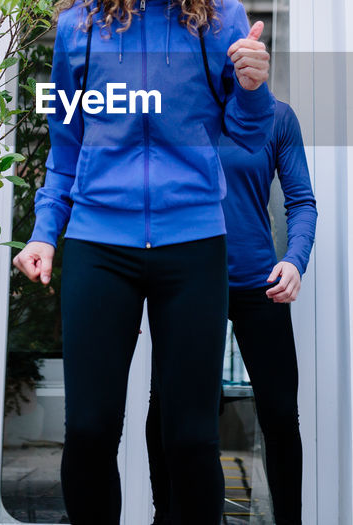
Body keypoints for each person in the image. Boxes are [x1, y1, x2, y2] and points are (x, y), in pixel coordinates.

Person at [12, 0, 275, 525]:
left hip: (194, 245)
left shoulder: (219, 17)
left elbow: (245, 136)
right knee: (92, 430)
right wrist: (46, 231)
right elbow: (64, 146)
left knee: (190, 436)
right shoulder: (82, 26)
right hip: (102, 243)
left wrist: (252, 84)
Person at [146, 99, 317, 525]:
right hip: (188, 279)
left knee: (279, 414)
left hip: (260, 281)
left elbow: (301, 201)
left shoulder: (277, 117)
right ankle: (168, 515)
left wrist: (294, 260)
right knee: (168, 407)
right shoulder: (180, 109)